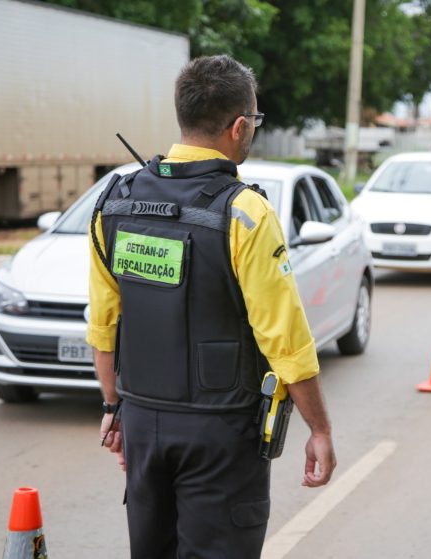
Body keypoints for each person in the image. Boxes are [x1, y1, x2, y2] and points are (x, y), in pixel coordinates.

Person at [86, 54, 336, 558]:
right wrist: (320, 429)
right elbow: (283, 337)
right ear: (238, 126)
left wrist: (114, 408)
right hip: (219, 434)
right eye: (256, 123)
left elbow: (103, 324)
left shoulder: (114, 202)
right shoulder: (244, 212)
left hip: (142, 423)